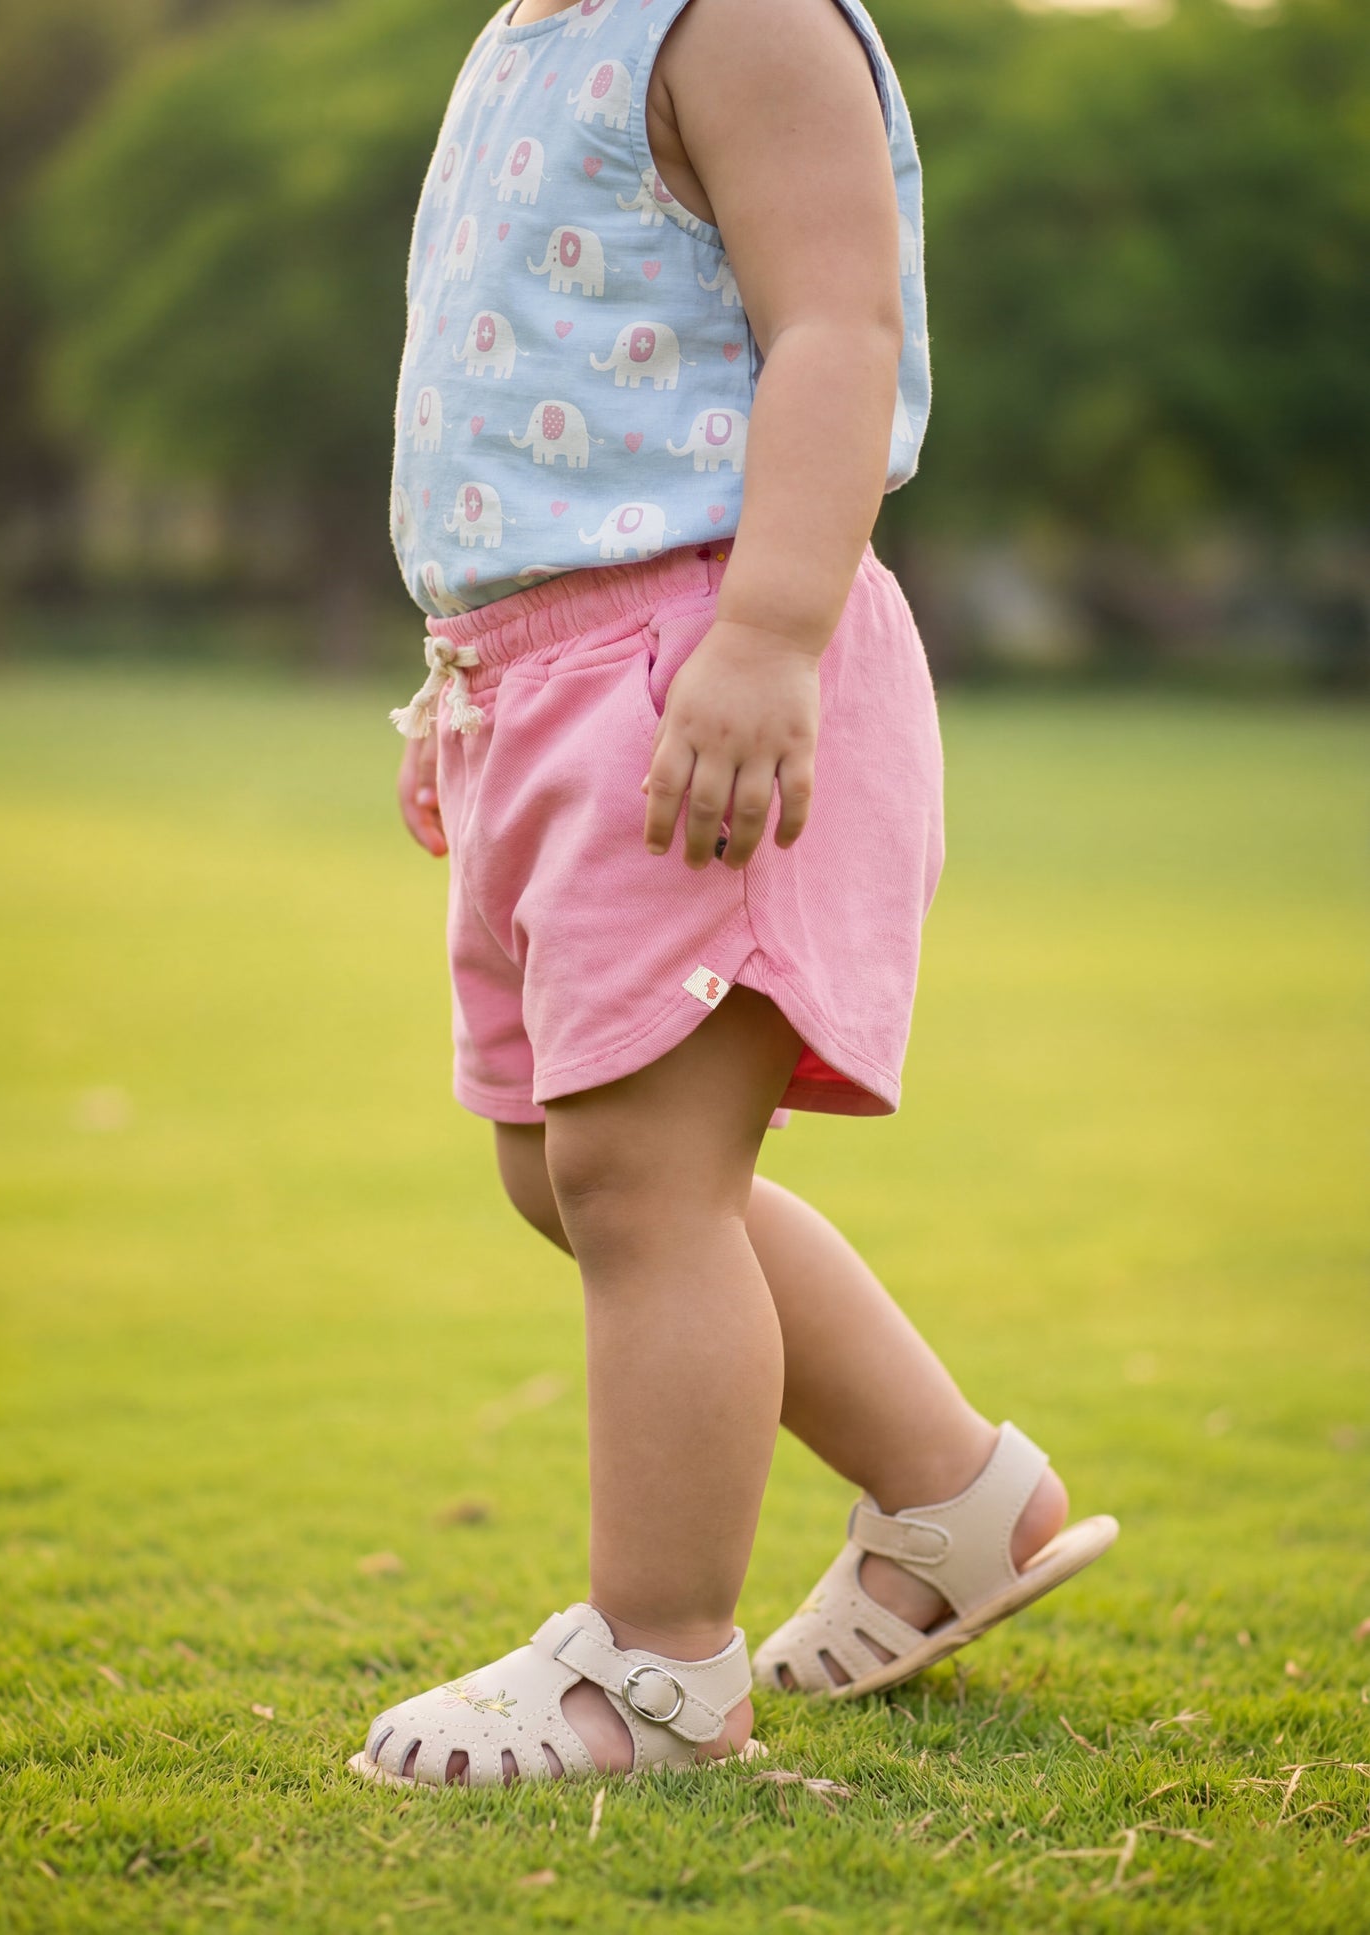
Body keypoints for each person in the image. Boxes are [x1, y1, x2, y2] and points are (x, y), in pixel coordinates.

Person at [351, 0, 1117, 1793]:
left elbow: (838, 327)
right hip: (528, 673)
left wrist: (771, 633)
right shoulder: (520, 38)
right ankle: (953, 1494)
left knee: (640, 1175)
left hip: (696, 660)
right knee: (563, 1163)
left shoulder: (739, 20)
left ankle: (658, 1668)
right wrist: (459, 675)